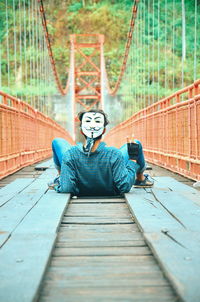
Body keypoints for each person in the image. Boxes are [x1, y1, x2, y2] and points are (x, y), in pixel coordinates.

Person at [48, 109, 153, 196]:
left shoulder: (70, 155)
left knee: (57, 142)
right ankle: (140, 178)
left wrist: (66, 184)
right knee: (136, 143)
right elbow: (125, 186)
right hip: (110, 173)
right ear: (103, 130)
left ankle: (62, 177)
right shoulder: (115, 154)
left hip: (76, 164)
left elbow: (67, 188)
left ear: (81, 131)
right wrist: (132, 159)